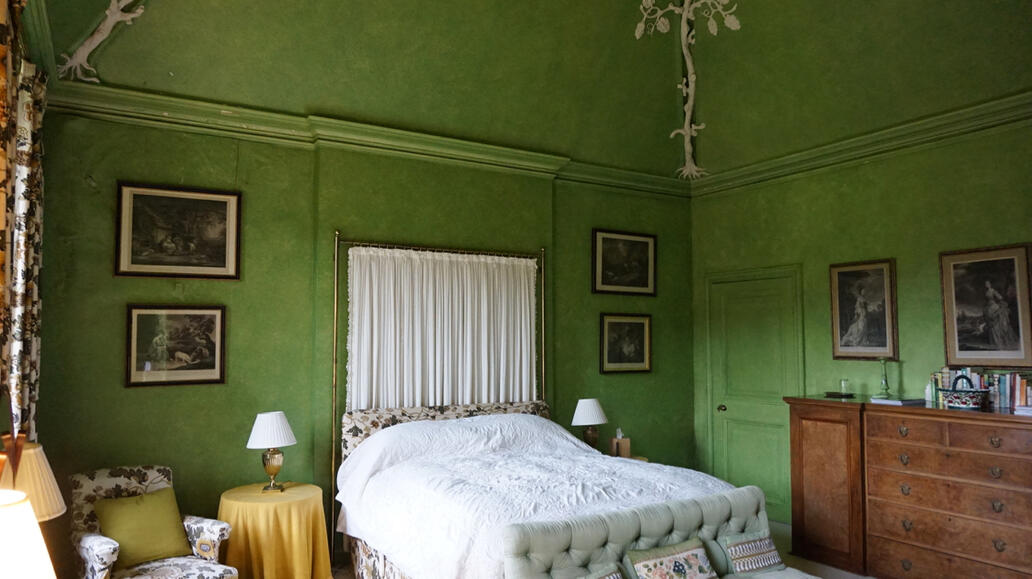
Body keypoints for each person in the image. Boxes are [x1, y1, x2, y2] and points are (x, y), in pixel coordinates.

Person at [984, 280, 1018, 349]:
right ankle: (993, 341)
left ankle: (999, 339)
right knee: (990, 321)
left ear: (990, 284)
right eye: (985, 284)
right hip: (988, 307)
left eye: (987, 284)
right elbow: (986, 300)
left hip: (993, 306)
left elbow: (1000, 297)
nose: (986, 285)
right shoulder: (986, 292)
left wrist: (1000, 303)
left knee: (996, 322)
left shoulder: (993, 291)